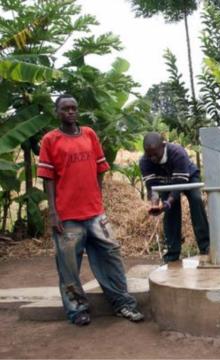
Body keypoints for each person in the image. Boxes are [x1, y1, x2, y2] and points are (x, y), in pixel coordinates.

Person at [38, 94, 144, 326]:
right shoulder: (50, 140)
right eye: (65, 108)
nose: (70, 112)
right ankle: (77, 310)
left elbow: (100, 168)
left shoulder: (89, 134)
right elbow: (48, 178)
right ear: (57, 112)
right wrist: (53, 212)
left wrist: (96, 195)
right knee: (68, 268)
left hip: (95, 213)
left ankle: (123, 304)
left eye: (74, 108)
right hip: (67, 217)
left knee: (111, 256)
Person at [140, 132, 210, 263]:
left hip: (188, 177)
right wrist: (155, 204)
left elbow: (179, 185)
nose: (153, 158)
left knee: (196, 199)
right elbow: (152, 187)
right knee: (171, 211)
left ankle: (205, 245)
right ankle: (173, 253)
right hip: (167, 181)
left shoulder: (177, 153)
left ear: (164, 146)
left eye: (155, 154)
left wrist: (166, 203)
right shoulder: (145, 161)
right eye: (149, 155)